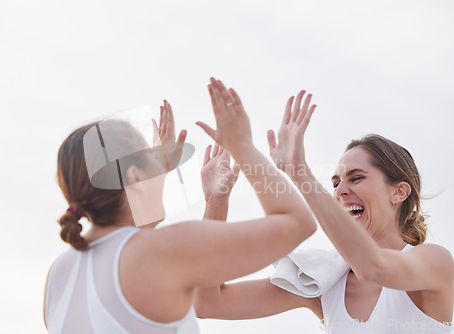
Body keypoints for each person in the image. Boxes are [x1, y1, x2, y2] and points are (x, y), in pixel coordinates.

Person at [43, 78, 317, 333]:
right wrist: (242, 146)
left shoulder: (58, 274)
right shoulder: (160, 251)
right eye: (152, 161)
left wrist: (212, 199)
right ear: (135, 178)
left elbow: (124, 251)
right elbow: (297, 223)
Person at [194, 90, 454, 333]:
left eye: (357, 178)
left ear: (398, 192)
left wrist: (299, 171)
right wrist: (216, 203)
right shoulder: (325, 280)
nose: (340, 190)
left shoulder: (435, 263)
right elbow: (208, 304)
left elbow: (373, 267)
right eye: (336, 183)